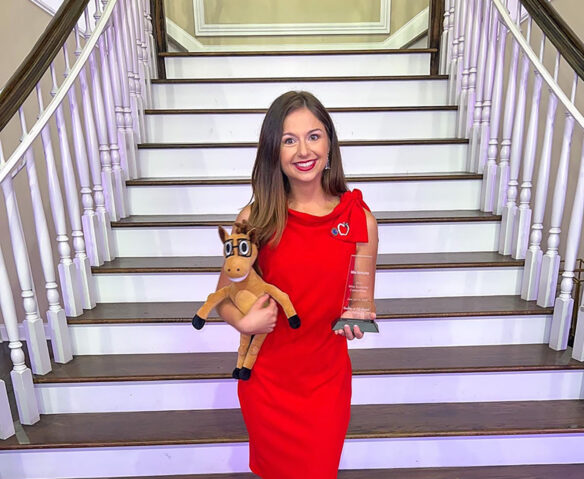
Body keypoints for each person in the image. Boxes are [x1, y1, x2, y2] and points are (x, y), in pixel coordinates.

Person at [215, 91, 379, 479]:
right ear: (274, 150)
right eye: (289, 140)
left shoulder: (360, 221)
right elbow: (223, 297)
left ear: (329, 143)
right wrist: (243, 323)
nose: (303, 150)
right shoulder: (254, 219)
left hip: (326, 385)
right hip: (268, 383)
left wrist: (358, 316)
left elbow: (361, 302)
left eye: (314, 136)